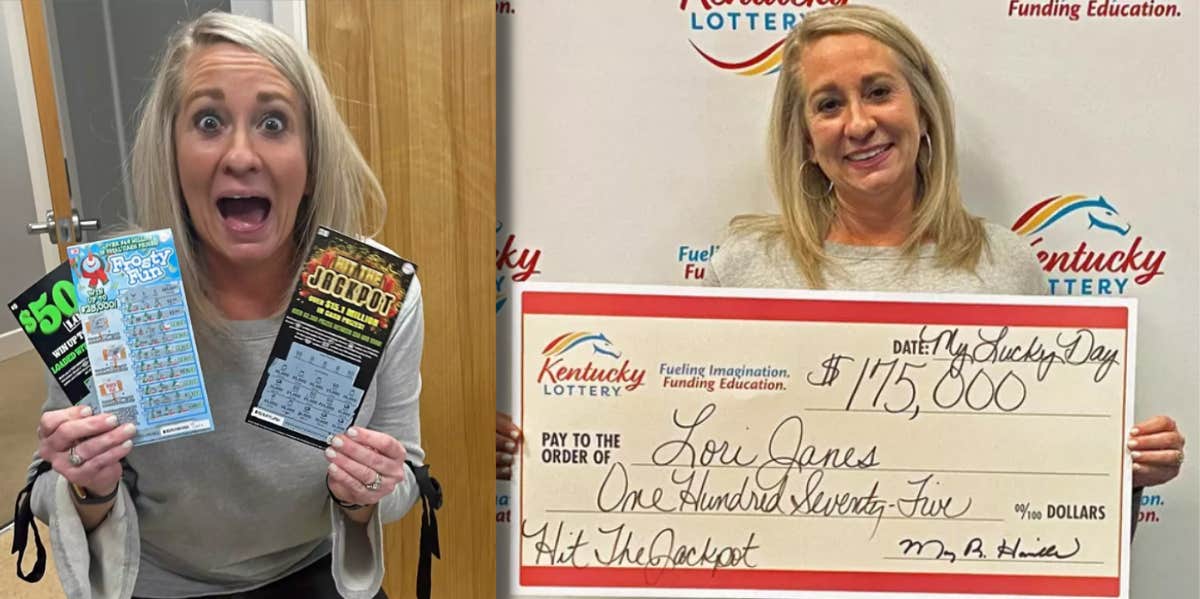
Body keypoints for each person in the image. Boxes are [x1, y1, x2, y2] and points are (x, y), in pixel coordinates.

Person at [495, 4, 1185, 507]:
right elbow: (674, 463)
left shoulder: (1003, 268)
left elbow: (1042, 501)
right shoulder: (743, 270)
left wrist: (1119, 475)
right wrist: (549, 449)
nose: (858, 123)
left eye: (878, 91)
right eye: (828, 104)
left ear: (922, 108)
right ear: (804, 136)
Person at [29, 12, 424, 599]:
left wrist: (363, 495)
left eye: (273, 122)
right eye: (209, 121)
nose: (241, 155)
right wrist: (90, 489)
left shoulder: (373, 287)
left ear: (311, 161)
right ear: (173, 154)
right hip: (163, 583)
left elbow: (405, 474)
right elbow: (45, 485)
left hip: (315, 572)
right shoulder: (109, 292)